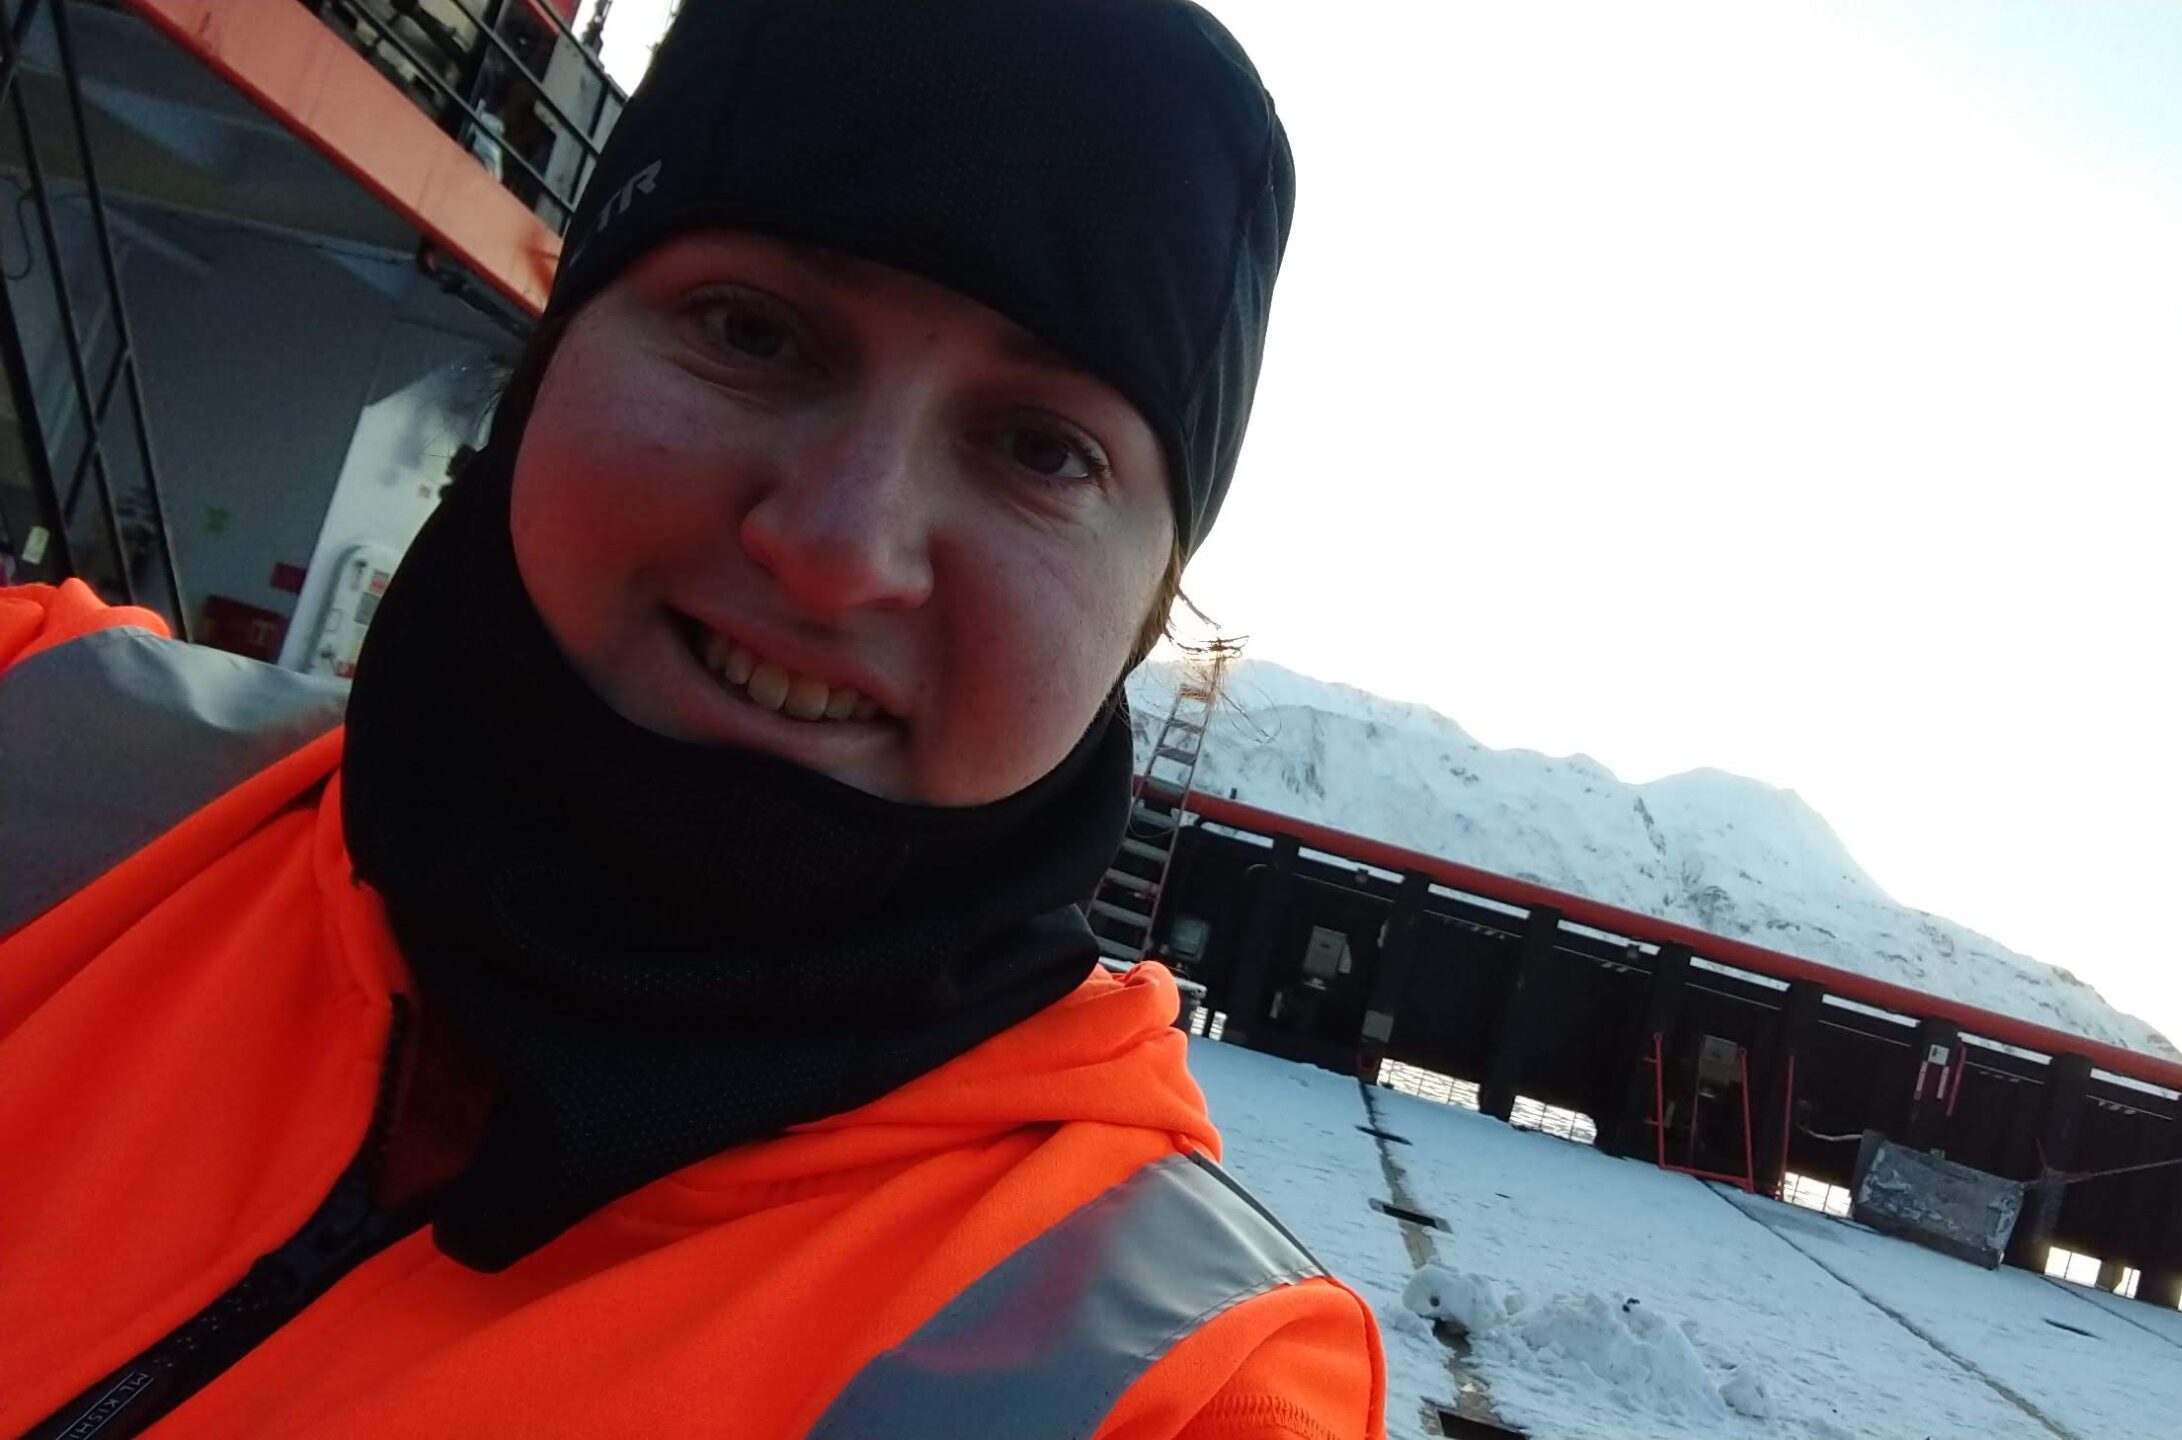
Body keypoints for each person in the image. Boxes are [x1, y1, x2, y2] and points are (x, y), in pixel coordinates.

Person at [0, 3, 1387, 1436]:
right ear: (553, 352)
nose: (843, 545)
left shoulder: (1174, 1389)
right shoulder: (42, 739)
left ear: (1146, 609)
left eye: (1041, 448)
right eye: (754, 332)